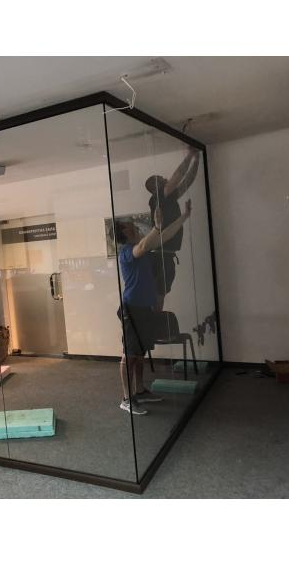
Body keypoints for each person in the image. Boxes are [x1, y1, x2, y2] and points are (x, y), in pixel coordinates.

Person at [115, 199, 192, 415]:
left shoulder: (144, 249)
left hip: (145, 309)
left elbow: (164, 235)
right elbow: (142, 246)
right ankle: (126, 399)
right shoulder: (126, 252)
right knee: (130, 354)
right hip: (132, 309)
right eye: (130, 226)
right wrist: (156, 227)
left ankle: (139, 391)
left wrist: (184, 217)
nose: (134, 226)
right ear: (124, 232)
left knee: (140, 353)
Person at [145, 148, 200, 311]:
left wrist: (196, 161)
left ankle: (155, 320)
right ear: (155, 188)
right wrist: (190, 155)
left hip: (165, 255)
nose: (164, 178)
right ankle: (155, 321)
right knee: (159, 294)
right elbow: (178, 176)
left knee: (160, 293)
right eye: (160, 179)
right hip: (161, 256)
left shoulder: (167, 197)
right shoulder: (157, 197)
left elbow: (187, 181)